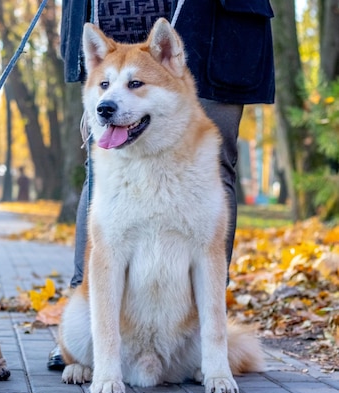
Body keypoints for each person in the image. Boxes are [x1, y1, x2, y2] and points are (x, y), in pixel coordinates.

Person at [47, 0, 275, 370]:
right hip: (116, 10)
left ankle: (202, 330)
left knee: (215, 163)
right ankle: (93, 322)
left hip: (217, 20)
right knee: (107, 166)